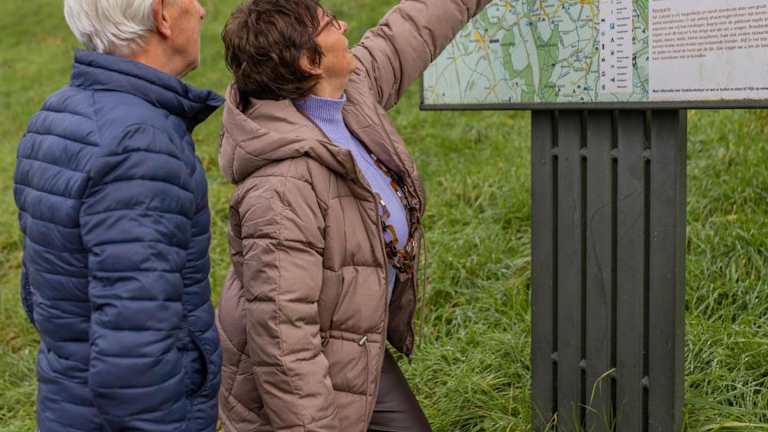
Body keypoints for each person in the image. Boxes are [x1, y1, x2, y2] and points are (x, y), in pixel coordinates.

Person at [215, 0, 492, 430]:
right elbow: (285, 344)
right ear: (310, 62)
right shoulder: (282, 189)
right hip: (297, 382)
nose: (344, 25)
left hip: (352, 341)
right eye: (330, 25)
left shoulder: (348, 98)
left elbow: (411, 29)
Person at [13, 0, 222, 430]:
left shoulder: (57, 113)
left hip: (69, 404)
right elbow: (136, 349)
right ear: (162, 15)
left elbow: (41, 295)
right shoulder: (139, 143)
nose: (201, 11)